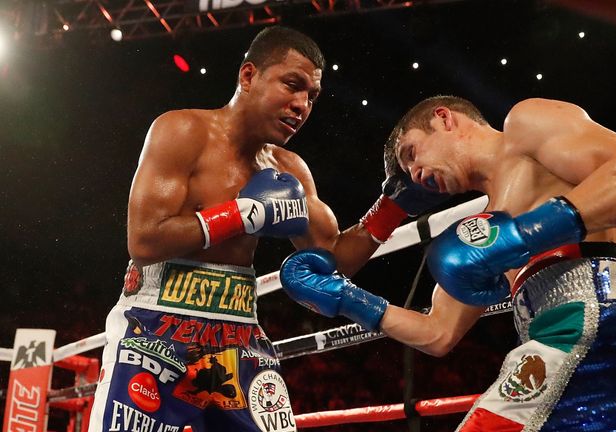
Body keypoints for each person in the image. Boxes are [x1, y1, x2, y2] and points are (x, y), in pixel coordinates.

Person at [88, 26, 444, 432]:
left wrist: (392, 207)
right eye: (292, 85)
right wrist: (242, 214)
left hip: (239, 332)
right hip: (155, 325)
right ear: (248, 76)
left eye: (311, 96)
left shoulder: (290, 170)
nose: (301, 105)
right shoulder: (182, 131)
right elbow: (144, 240)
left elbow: (334, 258)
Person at [279, 95, 616, 430]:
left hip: (597, 320)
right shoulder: (481, 231)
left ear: (444, 119)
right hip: (581, 332)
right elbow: (438, 333)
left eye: (412, 154)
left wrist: (522, 234)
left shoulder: (525, 125)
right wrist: (345, 297)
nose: (417, 173)